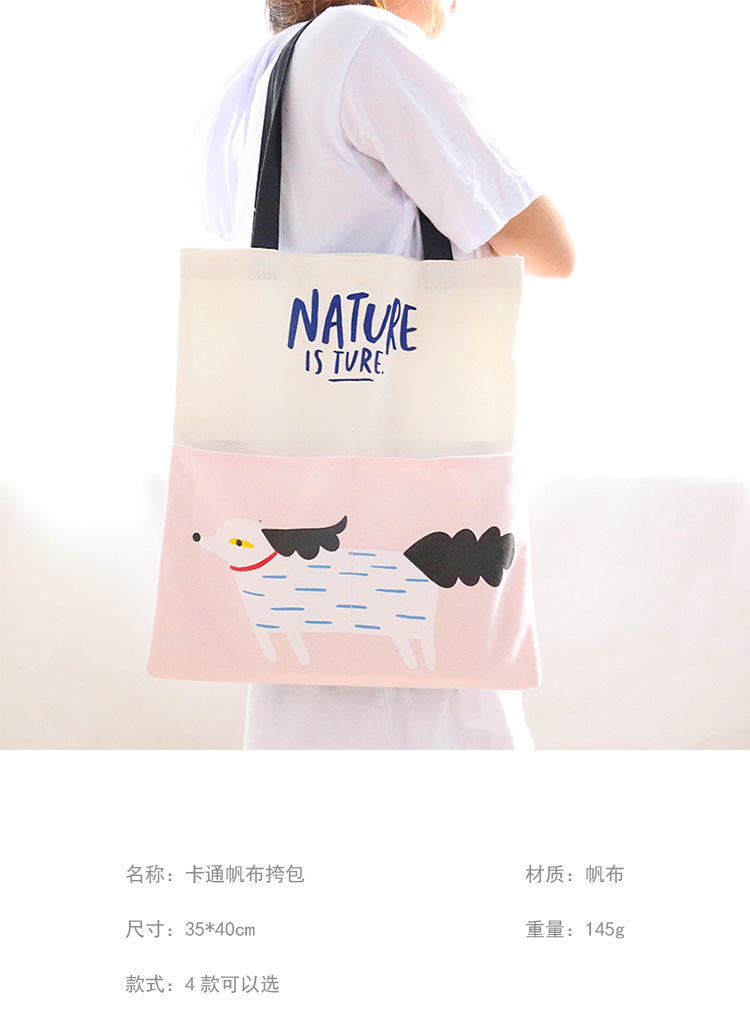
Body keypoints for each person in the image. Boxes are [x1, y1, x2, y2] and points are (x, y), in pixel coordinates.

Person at [195, 0, 574, 750]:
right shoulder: (365, 40)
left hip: (309, 458)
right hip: (405, 464)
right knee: (437, 698)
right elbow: (550, 247)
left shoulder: (269, 69)